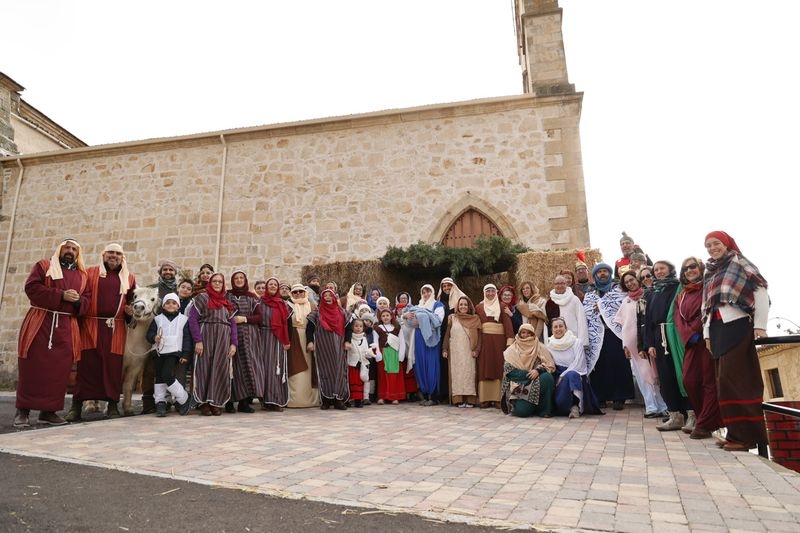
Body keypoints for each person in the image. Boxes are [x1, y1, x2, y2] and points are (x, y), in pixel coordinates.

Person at [702, 231, 769, 452]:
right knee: (723, 383)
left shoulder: (740, 263)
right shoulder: (710, 270)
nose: (712, 248)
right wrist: (707, 334)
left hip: (738, 325)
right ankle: (734, 434)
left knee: (736, 381)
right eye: (708, 245)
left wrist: (760, 325)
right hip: (717, 329)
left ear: (727, 244)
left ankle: (747, 438)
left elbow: (760, 291)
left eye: (716, 243)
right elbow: (706, 305)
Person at [14, 239, 91, 427]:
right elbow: (31, 287)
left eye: (74, 249)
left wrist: (78, 301)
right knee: (31, 367)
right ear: (59, 249)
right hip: (40, 322)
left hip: (66, 326)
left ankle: (49, 412)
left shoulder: (83, 276)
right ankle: (23, 411)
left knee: (59, 371)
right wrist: (61, 295)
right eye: (67, 247)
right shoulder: (44, 266)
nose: (70, 251)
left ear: (78, 253)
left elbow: (88, 301)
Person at [67, 243, 136, 422]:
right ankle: (76, 406)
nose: (114, 256)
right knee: (87, 367)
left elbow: (130, 301)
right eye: (110, 252)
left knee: (113, 368)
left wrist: (129, 313)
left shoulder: (129, 278)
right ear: (103, 255)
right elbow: (82, 296)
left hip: (116, 329)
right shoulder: (89, 273)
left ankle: (112, 406)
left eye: (118, 253)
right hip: (91, 326)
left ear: (122, 257)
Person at [675, 257, 722, 439]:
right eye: (685, 268)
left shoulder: (708, 287)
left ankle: (704, 424)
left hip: (708, 339)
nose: (689, 270)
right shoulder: (682, 296)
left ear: (701, 267)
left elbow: (709, 311)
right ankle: (704, 417)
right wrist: (689, 335)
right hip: (692, 342)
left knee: (709, 381)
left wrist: (697, 330)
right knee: (689, 380)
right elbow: (678, 320)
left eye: (693, 266)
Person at [613, 271, 668, 419]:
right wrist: (625, 345)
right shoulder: (626, 302)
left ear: (637, 280)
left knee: (654, 374)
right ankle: (651, 407)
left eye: (632, 280)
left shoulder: (648, 296)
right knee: (642, 376)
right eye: (626, 282)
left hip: (649, 342)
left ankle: (663, 406)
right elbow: (624, 325)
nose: (630, 283)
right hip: (633, 345)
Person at [643, 260, 690, 431]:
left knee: (681, 374)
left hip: (675, 335)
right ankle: (675, 415)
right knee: (665, 376)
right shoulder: (653, 293)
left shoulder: (679, 287)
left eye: (662, 268)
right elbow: (648, 320)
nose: (659, 272)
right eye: (656, 270)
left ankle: (691, 413)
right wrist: (649, 344)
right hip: (659, 338)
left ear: (670, 269)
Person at [583, 263, 635, 410]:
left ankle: (620, 397)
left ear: (609, 273)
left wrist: (602, 306)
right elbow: (586, 309)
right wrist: (600, 307)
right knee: (600, 363)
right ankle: (601, 397)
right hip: (597, 332)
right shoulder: (590, 292)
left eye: (605, 271)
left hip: (616, 332)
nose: (602, 274)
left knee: (618, 362)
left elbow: (621, 305)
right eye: (599, 272)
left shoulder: (618, 289)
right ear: (595, 275)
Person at [188, 272, 238, 416]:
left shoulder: (226, 302)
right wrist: (198, 340)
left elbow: (233, 324)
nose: (217, 284)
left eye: (220, 282)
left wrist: (233, 344)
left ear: (223, 285)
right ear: (210, 283)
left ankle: (215, 402)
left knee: (220, 368)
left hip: (223, 339)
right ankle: (204, 403)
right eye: (214, 281)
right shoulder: (202, 298)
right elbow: (192, 319)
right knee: (204, 368)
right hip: (206, 336)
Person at [145, 293, 197, 416]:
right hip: (159, 352)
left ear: (178, 306)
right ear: (163, 305)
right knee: (159, 377)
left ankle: (184, 398)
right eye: (167, 303)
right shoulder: (157, 319)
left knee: (167, 375)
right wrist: (154, 337)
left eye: (174, 303)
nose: (170, 305)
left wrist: (185, 354)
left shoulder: (183, 320)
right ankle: (160, 402)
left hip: (174, 352)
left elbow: (187, 339)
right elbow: (149, 334)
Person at [142, 260, 181, 414]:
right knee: (150, 369)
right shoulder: (151, 289)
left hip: (173, 336)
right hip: (154, 332)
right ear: (160, 272)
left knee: (170, 371)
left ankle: (170, 400)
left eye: (171, 269)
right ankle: (149, 402)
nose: (168, 272)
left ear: (175, 273)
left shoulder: (179, 290)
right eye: (165, 269)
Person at [546, 317, 602, 418]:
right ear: (552, 330)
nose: (558, 329)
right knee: (560, 402)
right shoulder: (549, 346)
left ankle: (576, 406)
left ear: (565, 328)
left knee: (572, 374)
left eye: (561, 326)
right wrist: (560, 378)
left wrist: (563, 375)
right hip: (558, 381)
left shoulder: (576, 342)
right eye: (555, 327)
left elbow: (579, 363)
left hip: (574, 377)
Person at [306, 288, 351, 410]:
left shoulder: (342, 312)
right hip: (323, 348)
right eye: (325, 296)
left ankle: (338, 400)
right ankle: (326, 399)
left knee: (339, 372)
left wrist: (347, 341)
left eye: (329, 295)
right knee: (325, 371)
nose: (327, 297)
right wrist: (310, 342)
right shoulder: (316, 313)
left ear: (334, 297)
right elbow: (309, 329)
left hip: (339, 347)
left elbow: (348, 328)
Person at [226, 270, 264, 413]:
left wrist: (245, 319)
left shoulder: (252, 297)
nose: (239, 280)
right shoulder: (227, 295)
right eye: (236, 278)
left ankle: (244, 402)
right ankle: (229, 402)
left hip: (249, 337)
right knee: (230, 368)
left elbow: (259, 317)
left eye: (241, 277)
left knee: (247, 367)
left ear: (245, 279)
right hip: (230, 335)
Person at [500, 323, 555, 418]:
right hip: (518, 385)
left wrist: (538, 370)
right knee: (522, 412)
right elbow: (509, 371)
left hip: (536, 382)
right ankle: (532, 407)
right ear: (519, 334)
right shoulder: (511, 350)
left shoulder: (539, 346)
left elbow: (549, 365)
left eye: (529, 333)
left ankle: (544, 410)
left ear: (533, 334)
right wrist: (530, 375)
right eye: (523, 332)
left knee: (547, 377)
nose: (526, 335)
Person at [402, 284, 445, 406]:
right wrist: (405, 316)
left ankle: (434, 396)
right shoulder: (418, 306)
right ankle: (425, 394)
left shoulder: (437, 305)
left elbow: (438, 321)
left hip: (431, 339)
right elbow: (407, 319)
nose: (426, 294)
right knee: (420, 364)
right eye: (424, 292)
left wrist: (421, 321)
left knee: (431, 365)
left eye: (428, 292)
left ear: (433, 292)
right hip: (418, 338)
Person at [475, 284, 514, 409]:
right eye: (488, 291)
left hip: (499, 342)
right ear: (484, 293)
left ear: (496, 293)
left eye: (492, 291)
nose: (490, 293)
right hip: (485, 341)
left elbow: (508, 325)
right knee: (485, 367)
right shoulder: (479, 307)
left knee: (498, 367)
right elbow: (474, 322)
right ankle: (485, 399)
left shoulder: (502, 306)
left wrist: (509, 342)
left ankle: (498, 399)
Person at [258, 277, 292, 412]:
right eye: (270, 284)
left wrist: (287, 341)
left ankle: (276, 400)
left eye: (275, 285)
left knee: (277, 369)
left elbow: (287, 324)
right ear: (267, 287)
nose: (272, 286)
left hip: (279, 339)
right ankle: (265, 400)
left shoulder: (283, 304)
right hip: (263, 338)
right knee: (265, 369)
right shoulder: (259, 303)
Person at [441, 296, 481, 408]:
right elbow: (447, 334)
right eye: (461, 304)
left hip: (469, 352)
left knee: (469, 374)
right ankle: (458, 400)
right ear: (457, 306)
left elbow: (480, 337)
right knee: (457, 375)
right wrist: (445, 349)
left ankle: (470, 400)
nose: (463, 306)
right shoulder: (452, 318)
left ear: (469, 306)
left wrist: (477, 350)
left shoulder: (475, 319)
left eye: (465, 304)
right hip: (455, 352)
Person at [286, 284, 320, 408]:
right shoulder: (287, 305)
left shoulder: (312, 306)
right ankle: (295, 400)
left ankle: (312, 400)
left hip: (309, 339)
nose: (298, 294)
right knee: (296, 369)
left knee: (310, 369)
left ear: (305, 293)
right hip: (294, 338)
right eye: (295, 292)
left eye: (300, 291)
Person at [437, 277, 466, 403]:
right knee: (444, 364)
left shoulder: (460, 300)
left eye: (449, 285)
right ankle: (445, 393)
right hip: (442, 335)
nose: (446, 288)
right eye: (444, 286)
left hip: (457, 336)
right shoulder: (438, 301)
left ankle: (458, 394)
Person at [374, 308, 406, 404]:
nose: (385, 317)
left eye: (387, 315)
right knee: (383, 375)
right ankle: (382, 396)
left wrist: (401, 354)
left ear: (391, 316)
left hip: (394, 353)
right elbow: (375, 342)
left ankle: (394, 396)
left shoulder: (397, 328)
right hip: (383, 353)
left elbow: (402, 342)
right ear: (380, 317)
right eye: (383, 316)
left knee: (394, 375)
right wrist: (378, 353)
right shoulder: (378, 328)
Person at [545, 275, 588, 347]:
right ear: (554, 285)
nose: (560, 286)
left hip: (573, 339)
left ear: (566, 284)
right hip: (556, 342)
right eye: (557, 284)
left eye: (562, 283)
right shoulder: (550, 303)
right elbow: (548, 324)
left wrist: (583, 342)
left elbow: (581, 320)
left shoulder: (574, 299)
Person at [345, 318, 375, 407]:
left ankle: (360, 399)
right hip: (353, 363)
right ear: (352, 327)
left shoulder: (364, 339)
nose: (358, 328)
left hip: (362, 363)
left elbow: (366, 350)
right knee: (353, 381)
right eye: (356, 326)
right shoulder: (350, 338)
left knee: (362, 381)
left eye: (360, 326)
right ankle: (351, 399)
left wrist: (369, 353)